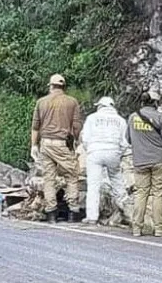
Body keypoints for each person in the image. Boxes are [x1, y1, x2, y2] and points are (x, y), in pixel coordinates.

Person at [31, 74, 84, 223]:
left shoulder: (41, 102)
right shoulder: (71, 102)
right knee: (72, 175)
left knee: (49, 178)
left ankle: (51, 213)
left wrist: (34, 145)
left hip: (45, 144)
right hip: (62, 144)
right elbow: (76, 126)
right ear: (64, 87)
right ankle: (73, 211)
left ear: (51, 86)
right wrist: (76, 143)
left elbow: (35, 127)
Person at [127, 89, 162, 237]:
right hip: (159, 160)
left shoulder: (132, 117)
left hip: (140, 161)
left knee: (141, 194)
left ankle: (136, 228)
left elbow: (128, 139)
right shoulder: (160, 117)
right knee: (158, 195)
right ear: (155, 102)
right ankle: (159, 229)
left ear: (142, 101)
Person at [81, 96, 129, 225]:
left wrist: (90, 150)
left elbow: (85, 139)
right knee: (117, 182)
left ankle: (92, 217)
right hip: (113, 152)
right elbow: (125, 143)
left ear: (100, 106)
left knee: (93, 185)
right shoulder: (120, 120)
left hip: (95, 152)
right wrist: (119, 154)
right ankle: (128, 210)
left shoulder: (91, 118)